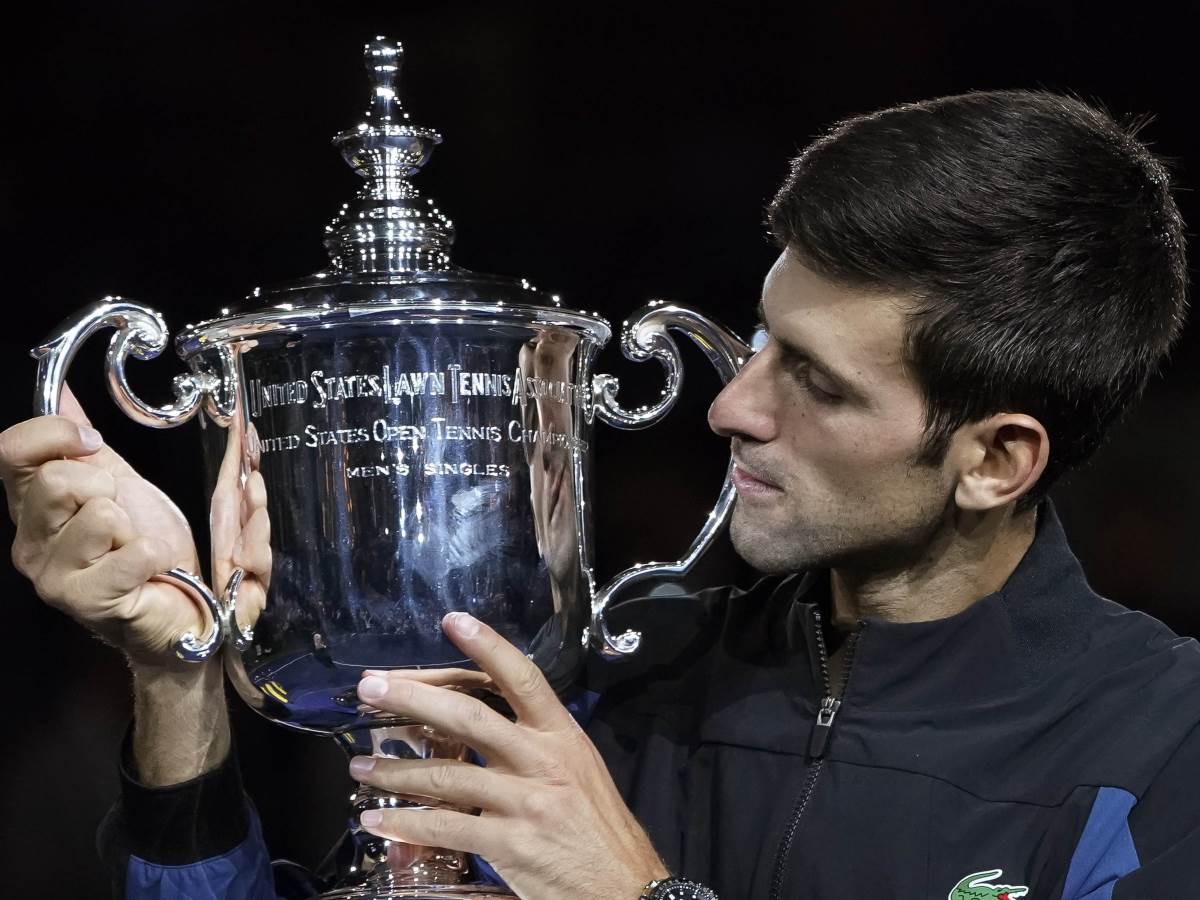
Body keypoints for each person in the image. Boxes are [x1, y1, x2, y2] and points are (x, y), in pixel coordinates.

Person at [4, 88, 1197, 899]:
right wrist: (177, 677)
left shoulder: (1158, 750)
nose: (734, 406)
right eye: (762, 343)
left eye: (819, 385)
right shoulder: (624, 670)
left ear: (996, 461)